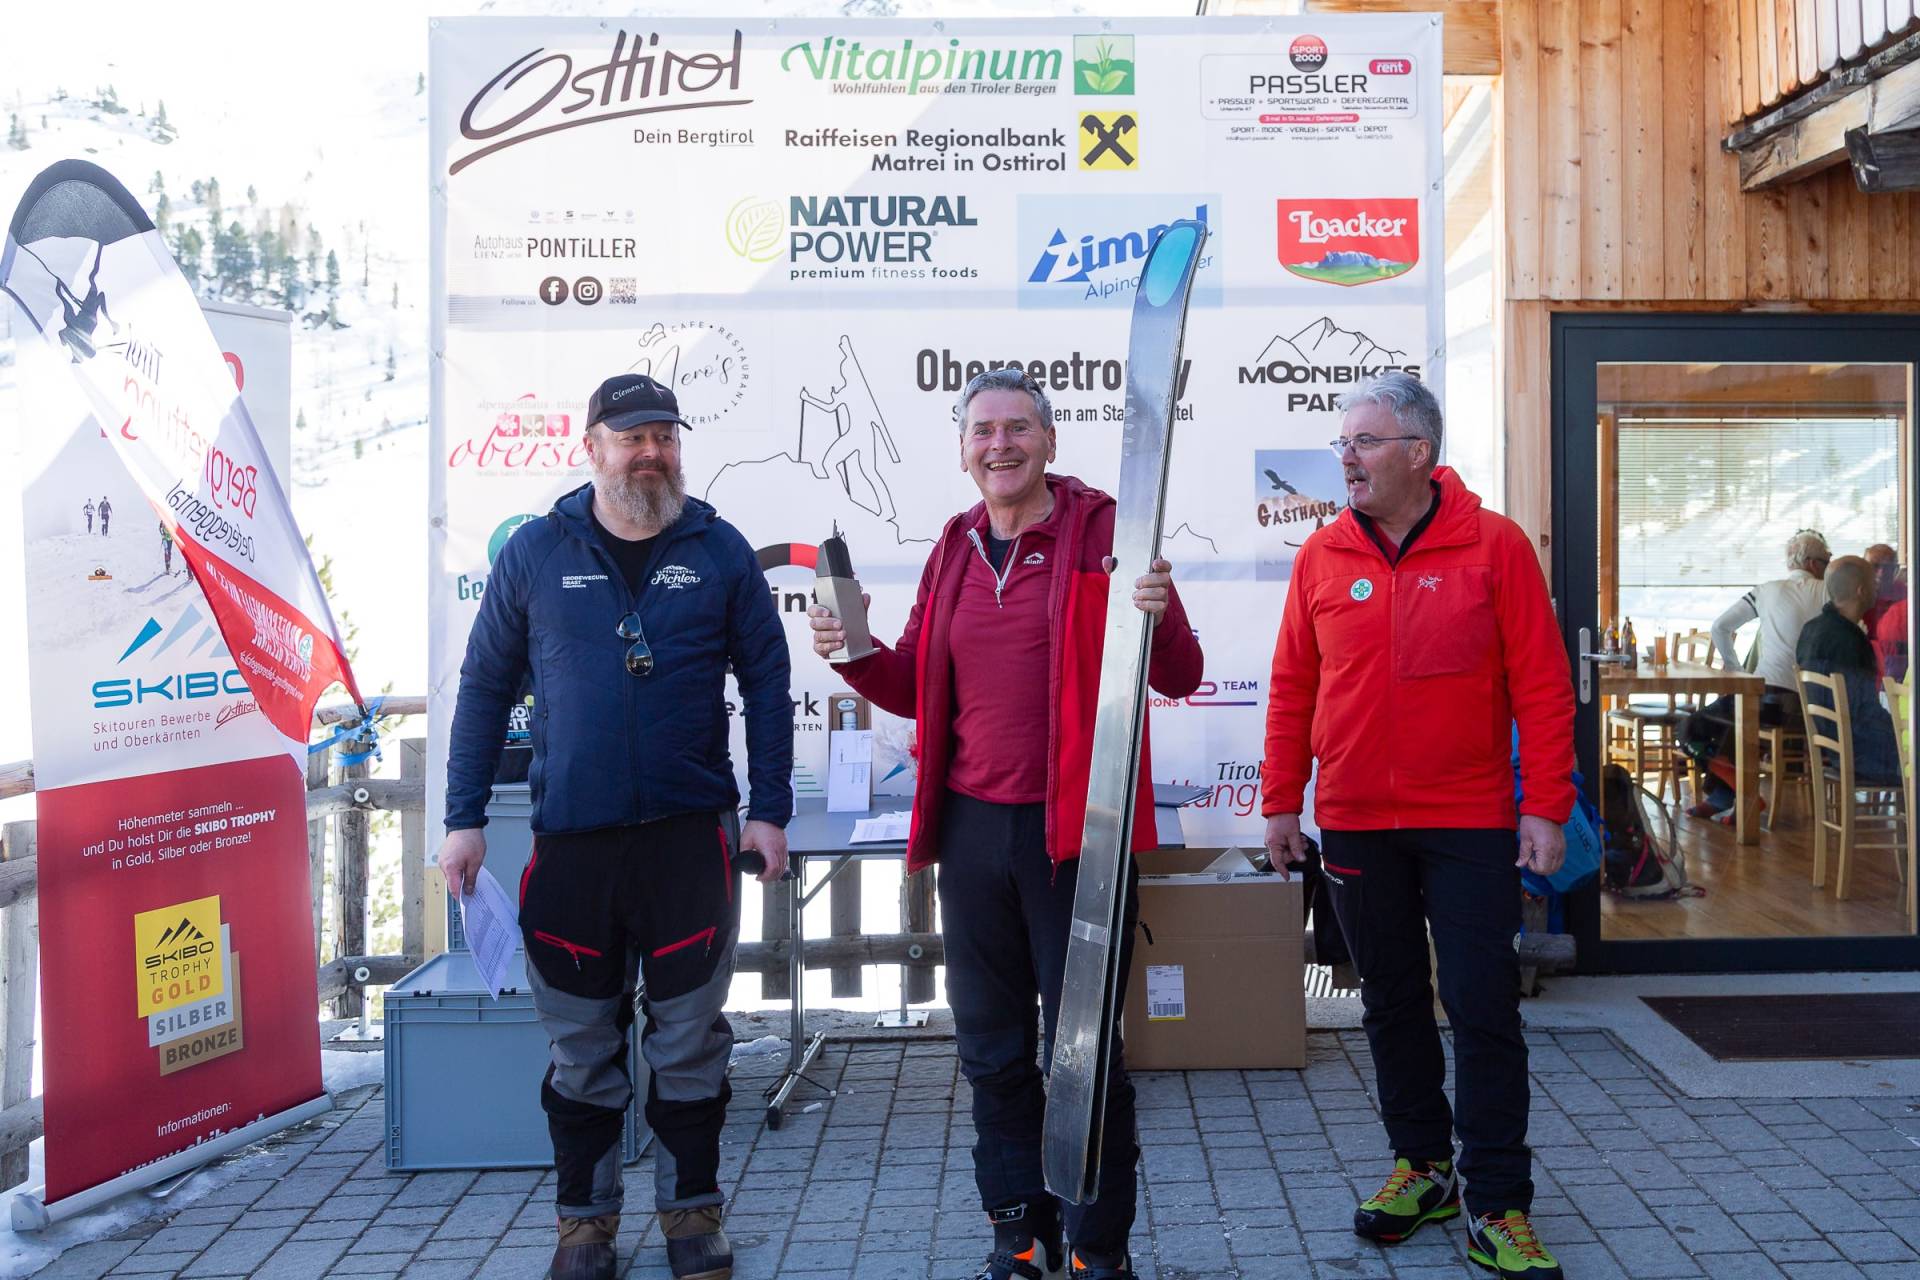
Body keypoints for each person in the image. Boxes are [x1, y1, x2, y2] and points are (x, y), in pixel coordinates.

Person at [807, 368, 1203, 1280]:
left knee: (1088, 1054)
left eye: (1019, 428)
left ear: (1051, 442)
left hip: (1079, 838)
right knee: (991, 1048)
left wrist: (1160, 609)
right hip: (976, 834)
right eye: (983, 430)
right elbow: (915, 681)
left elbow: (1178, 673)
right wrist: (856, 657)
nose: (1001, 445)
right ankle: (1018, 1236)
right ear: (963, 450)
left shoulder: (1105, 529)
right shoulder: (952, 545)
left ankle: (1097, 1247)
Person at [437, 373, 792, 1280]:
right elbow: (481, 690)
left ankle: (692, 1219)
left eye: (665, 436)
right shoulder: (533, 554)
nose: (651, 452)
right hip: (575, 845)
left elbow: (766, 683)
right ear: (590, 445)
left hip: (689, 845)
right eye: (632, 436)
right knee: (581, 1047)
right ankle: (584, 1227)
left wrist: (771, 813)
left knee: (689, 1044)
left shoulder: (719, 550)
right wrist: (463, 818)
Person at [1261, 372, 1573, 1279]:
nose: (1347, 458)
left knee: (1482, 1009)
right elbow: (1292, 687)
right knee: (1390, 1003)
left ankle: (1499, 1203)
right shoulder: (1319, 556)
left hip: (1471, 821)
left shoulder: (1496, 546)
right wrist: (1283, 799)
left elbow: (1544, 687)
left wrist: (1545, 804)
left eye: (1363, 442)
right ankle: (1423, 1169)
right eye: (1342, 444)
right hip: (1356, 822)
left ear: (1417, 454)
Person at [1685, 530, 1831, 817]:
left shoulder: (1766, 590)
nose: (1828, 566)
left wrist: (1738, 673)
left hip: (1768, 698)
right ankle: (1732, 796)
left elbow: (1720, 627)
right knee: (1735, 724)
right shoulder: (1828, 593)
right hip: (1810, 705)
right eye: (1828, 560)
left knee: (1691, 728)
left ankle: (1739, 794)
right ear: (1814, 564)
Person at [1797, 555, 1901, 785]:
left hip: (1834, 749)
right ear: (1861, 591)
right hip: (1864, 755)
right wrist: (1902, 733)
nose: (1879, 586)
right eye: (1874, 582)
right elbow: (1864, 712)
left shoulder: (1811, 630)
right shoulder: (1850, 642)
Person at [1864, 544, 1905, 679]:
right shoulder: (1857, 593)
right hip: (1866, 662)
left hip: (1899, 663)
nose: (1881, 573)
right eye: (1875, 566)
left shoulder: (1905, 593)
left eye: (1887, 568)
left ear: (1896, 569)